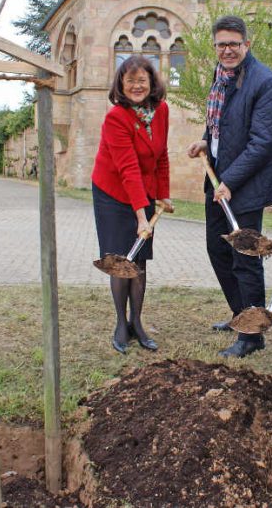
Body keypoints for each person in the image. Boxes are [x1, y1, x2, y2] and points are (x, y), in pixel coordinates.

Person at [187, 15, 272, 358]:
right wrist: (204, 142)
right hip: (218, 181)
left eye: (233, 43)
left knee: (245, 258)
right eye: (221, 44)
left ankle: (253, 335)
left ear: (247, 44)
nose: (227, 50)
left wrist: (230, 181)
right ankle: (239, 316)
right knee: (218, 250)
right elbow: (219, 124)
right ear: (214, 46)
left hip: (246, 185)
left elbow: (262, 142)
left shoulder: (267, 82)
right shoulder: (222, 75)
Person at [91, 55, 173, 354]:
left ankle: (137, 322)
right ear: (121, 86)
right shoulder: (116, 117)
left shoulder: (161, 110)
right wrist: (141, 217)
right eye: (130, 81)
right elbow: (127, 169)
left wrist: (162, 195)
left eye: (142, 80)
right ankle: (120, 323)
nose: (137, 86)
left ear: (151, 83)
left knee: (139, 261)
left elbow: (161, 155)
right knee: (120, 260)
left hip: (144, 192)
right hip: (112, 194)